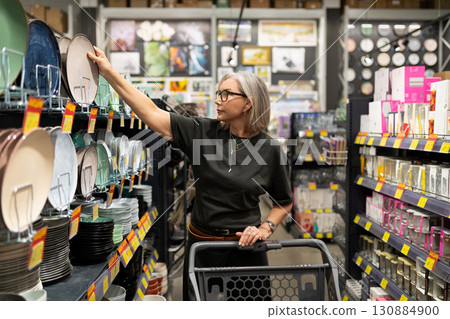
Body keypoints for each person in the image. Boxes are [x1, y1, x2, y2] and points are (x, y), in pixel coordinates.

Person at [88, 47, 293, 300]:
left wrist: (266, 228)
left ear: (248, 102)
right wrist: (109, 73)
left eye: (226, 94)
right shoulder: (202, 132)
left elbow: (284, 202)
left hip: (247, 250)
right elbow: (152, 113)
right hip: (203, 247)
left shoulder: (271, 150)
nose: (218, 99)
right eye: (219, 93)